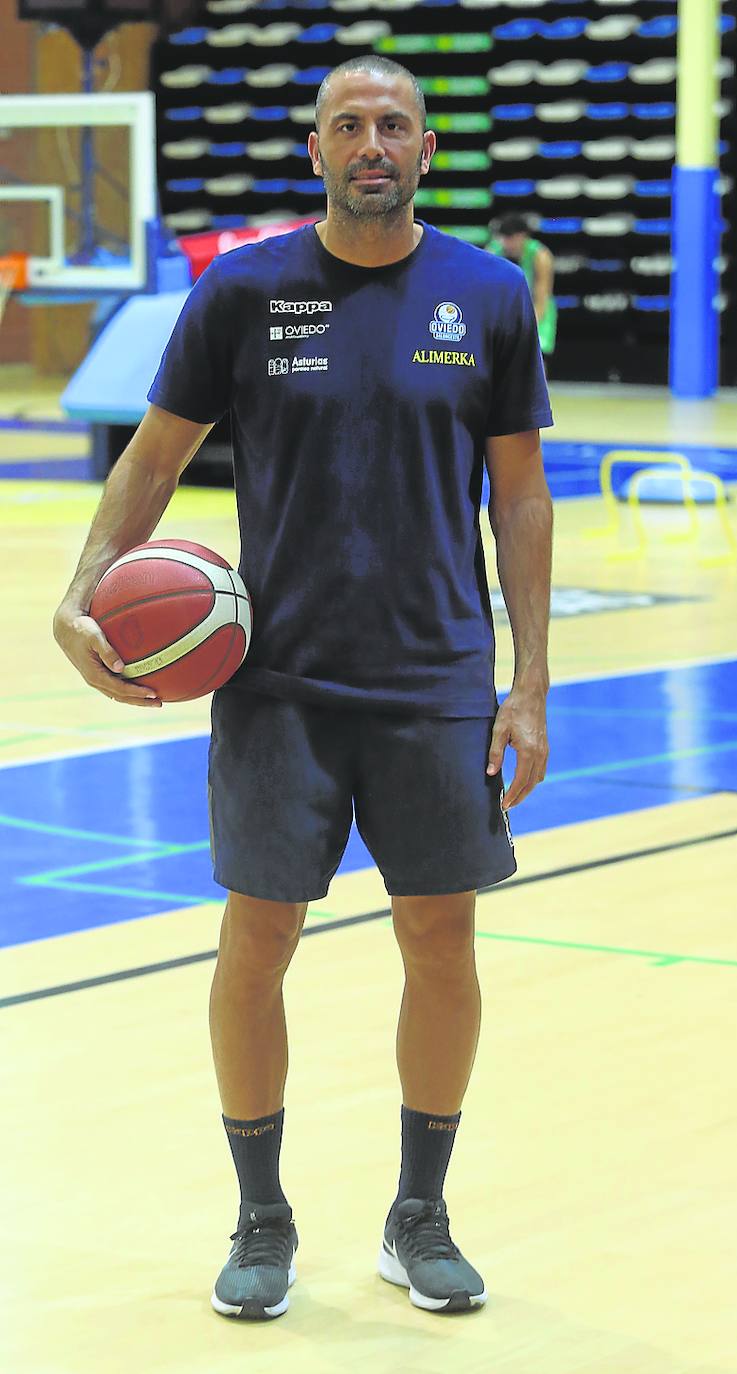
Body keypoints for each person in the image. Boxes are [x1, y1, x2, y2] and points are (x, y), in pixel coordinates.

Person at [53, 55, 554, 1323]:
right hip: (274, 680)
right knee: (255, 939)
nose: (370, 142)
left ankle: (417, 1214)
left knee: (440, 941)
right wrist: (83, 587)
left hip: (437, 678)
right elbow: (154, 459)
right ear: (315, 148)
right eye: (348, 125)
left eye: (392, 124)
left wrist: (529, 682)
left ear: (425, 150)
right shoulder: (243, 288)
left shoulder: (488, 296)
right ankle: (260, 1216)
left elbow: (520, 497)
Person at [487, 214, 558, 363]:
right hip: (504, 309)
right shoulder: (492, 252)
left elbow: (542, 297)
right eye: (505, 239)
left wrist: (528, 329)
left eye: (512, 239)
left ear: (523, 236)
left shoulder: (540, 256)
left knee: (535, 357)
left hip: (537, 309)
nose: (508, 244)